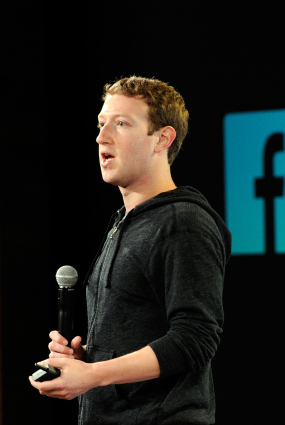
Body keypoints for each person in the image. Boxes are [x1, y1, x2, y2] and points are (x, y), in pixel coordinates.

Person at [30, 76, 231, 424]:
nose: (101, 136)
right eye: (101, 123)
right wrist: (87, 359)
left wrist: (95, 375)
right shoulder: (124, 223)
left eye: (121, 123)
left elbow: (196, 338)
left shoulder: (184, 222)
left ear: (162, 139)